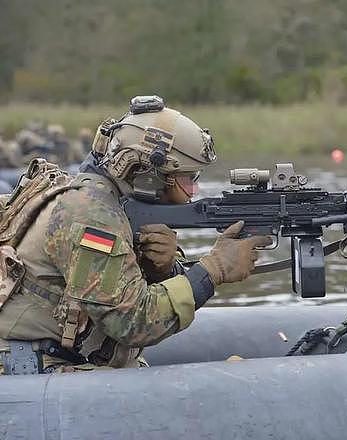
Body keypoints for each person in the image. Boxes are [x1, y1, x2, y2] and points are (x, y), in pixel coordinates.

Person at [0, 96, 270, 374]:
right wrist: (214, 269)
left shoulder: (109, 203)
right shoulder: (91, 216)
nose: (193, 192)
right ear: (146, 173)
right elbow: (131, 322)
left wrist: (162, 269)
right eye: (187, 179)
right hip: (36, 373)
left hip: (69, 360)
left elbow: (124, 289)